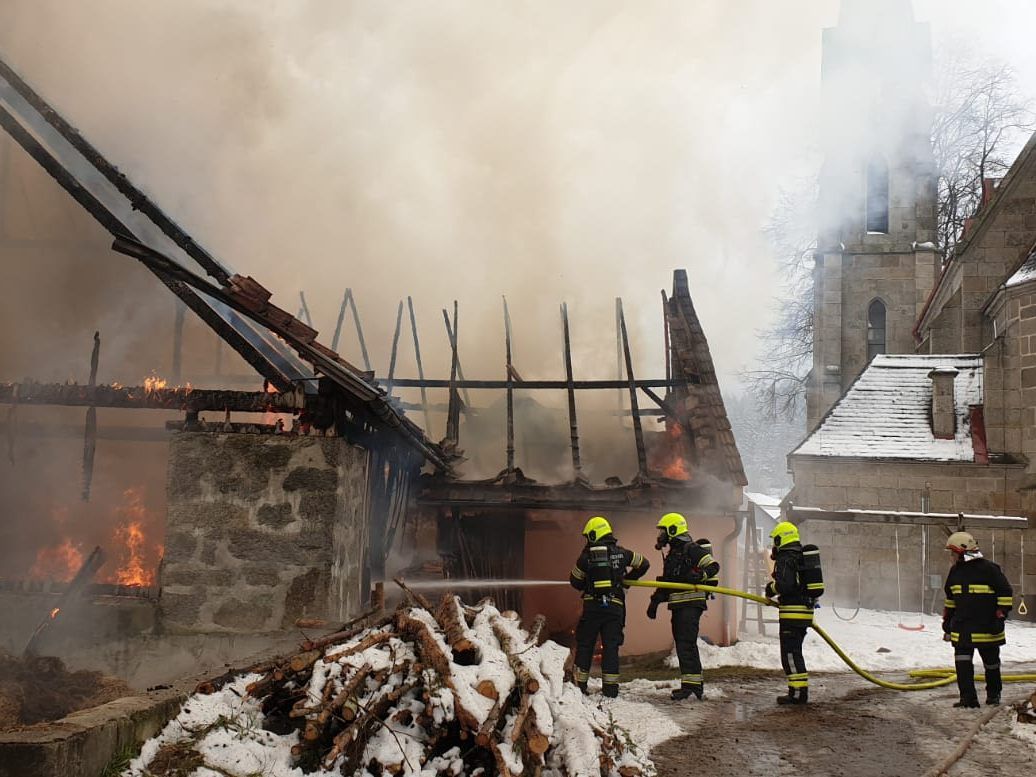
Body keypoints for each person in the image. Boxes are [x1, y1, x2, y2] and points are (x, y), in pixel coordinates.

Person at [569, 515, 650, 697]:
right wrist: (627, 580)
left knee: (585, 645)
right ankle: (611, 689)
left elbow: (574, 581)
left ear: (593, 534)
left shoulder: (586, 557)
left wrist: (588, 584)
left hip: (592, 608)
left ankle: (580, 686)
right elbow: (644, 563)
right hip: (615, 607)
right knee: (611, 647)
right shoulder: (623, 553)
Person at [647, 512, 720, 701]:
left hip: (691, 604)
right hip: (679, 606)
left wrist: (700, 575)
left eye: (663, 530)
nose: (661, 535)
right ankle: (691, 684)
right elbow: (669, 584)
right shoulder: (672, 555)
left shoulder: (692, 549)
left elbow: (713, 566)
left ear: (673, 530)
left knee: (686, 644)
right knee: (682, 644)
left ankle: (693, 687)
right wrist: (655, 602)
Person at [942, 531, 1013, 708]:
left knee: (991, 665)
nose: (951, 557)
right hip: (962, 628)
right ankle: (968, 699)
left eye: (953, 553)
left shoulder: (989, 569)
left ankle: (993, 695)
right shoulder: (955, 572)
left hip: (987, 628)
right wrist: (947, 621)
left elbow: (1005, 594)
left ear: (962, 551)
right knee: (963, 664)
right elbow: (951, 598)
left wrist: (1000, 616)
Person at [765, 521, 815, 706]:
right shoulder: (798, 556)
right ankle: (797, 691)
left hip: (792, 614)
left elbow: (785, 585)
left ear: (782, 538)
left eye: (775, 541)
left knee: (791, 655)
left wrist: (771, 589)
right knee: (794, 653)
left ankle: (798, 693)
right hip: (802, 612)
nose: (774, 545)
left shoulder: (786, 558)